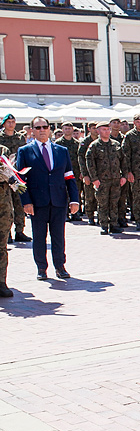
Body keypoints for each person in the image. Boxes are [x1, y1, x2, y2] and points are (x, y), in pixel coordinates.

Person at [16, 116, 80, 280]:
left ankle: (60, 266)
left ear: (50, 128)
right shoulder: (25, 151)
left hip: (58, 200)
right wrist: (26, 202)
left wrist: (74, 199)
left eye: (44, 127)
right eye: (38, 128)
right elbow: (20, 181)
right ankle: (41, 268)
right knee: (39, 237)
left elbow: (69, 176)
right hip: (37, 202)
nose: (42, 130)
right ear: (32, 130)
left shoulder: (61, 151)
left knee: (58, 236)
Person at [85, 121, 125, 235]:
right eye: (103, 129)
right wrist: (94, 179)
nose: (106, 131)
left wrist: (124, 175)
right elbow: (90, 163)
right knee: (103, 203)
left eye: (108, 129)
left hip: (115, 179)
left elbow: (123, 160)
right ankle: (104, 225)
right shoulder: (94, 146)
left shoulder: (116, 144)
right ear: (98, 131)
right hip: (102, 180)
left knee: (114, 203)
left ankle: (114, 224)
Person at [1, 114, 30, 242]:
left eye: (13, 122)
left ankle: (20, 231)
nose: (11, 124)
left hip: (17, 174)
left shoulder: (20, 138)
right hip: (3, 176)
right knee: (6, 205)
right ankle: (6, 233)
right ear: (4, 124)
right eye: (8, 122)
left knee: (19, 203)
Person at [54, 123, 82, 221]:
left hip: (75, 172)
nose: (68, 130)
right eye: (66, 129)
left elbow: (80, 158)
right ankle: (65, 214)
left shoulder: (76, 143)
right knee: (63, 193)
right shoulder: (58, 143)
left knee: (75, 192)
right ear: (62, 130)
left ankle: (75, 213)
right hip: (62, 172)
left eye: (69, 128)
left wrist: (82, 172)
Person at [0, 144, 16, 297]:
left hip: (2, 206)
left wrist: (6, 174)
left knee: (1, 244)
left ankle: (1, 282)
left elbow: (12, 176)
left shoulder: (3, 151)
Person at [78, 122, 99, 225]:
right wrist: (84, 173)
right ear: (89, 129)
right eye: (93, 128)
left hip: (100, 174)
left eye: (97, 128)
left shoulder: (101, 140)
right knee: (89, 197)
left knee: (101, 197)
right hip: (89, 174)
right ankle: (90, 216)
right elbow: (81, 158)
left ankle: (101, 217)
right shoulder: (86, 141)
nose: (96, 130)